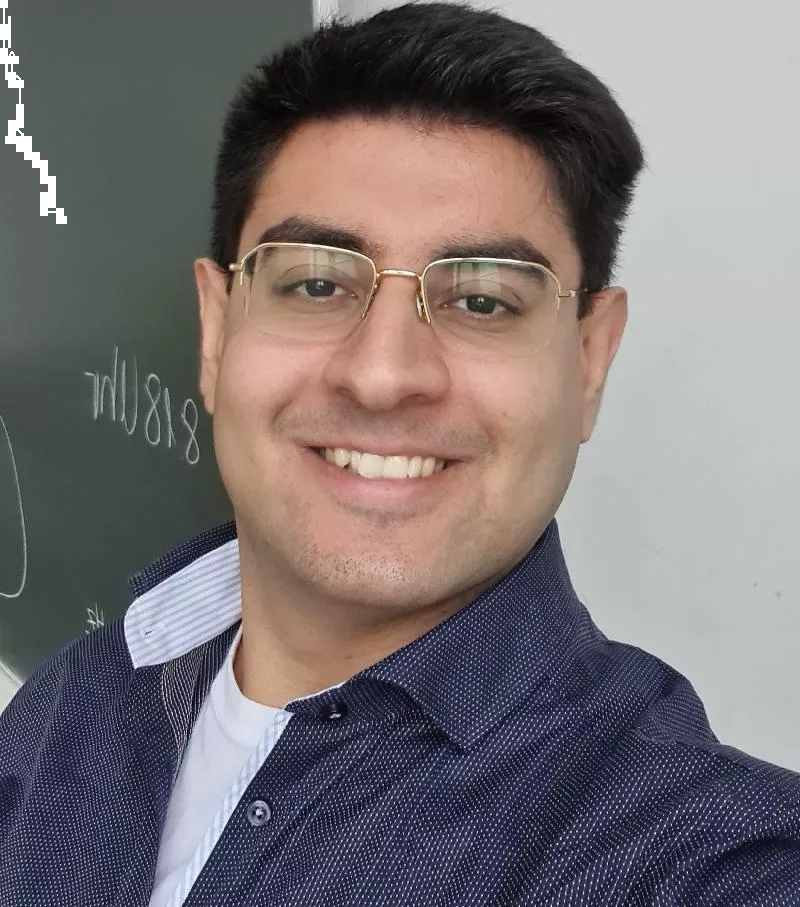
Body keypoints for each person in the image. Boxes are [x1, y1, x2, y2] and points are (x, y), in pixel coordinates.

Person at [2, 3, 799, 905]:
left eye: (484, 300)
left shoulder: (708, 857)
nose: (383, 375)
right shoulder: (81, 693)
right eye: (315, 282)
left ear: (588, 359)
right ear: (217, 330)